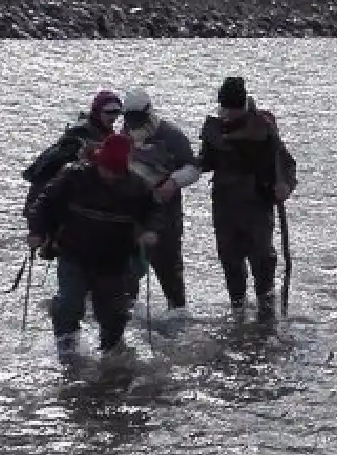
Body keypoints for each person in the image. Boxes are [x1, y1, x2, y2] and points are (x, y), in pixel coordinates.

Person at [26, 133, 163, 362]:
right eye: (106, 168)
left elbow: (155, 211)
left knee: (113, 314)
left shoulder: (138, 186)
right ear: (98, 161)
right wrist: (37, 232)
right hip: (73, 253)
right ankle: (67, 353)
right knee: (69, 304)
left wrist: (150, 231)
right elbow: (44, 204)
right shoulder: (74, 176)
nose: (109, 174)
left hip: (113, 260)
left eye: (115, 171)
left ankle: (110, 353)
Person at [199, 77, 297, 316]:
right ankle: (238, 309)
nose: (228, 114)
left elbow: (286, 164)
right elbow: (204, 162)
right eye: (225, 109)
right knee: (229, 259)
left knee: (262, 259)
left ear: (242, 105)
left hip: (256, 205)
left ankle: (266, 310)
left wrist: (285, 185)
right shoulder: (215, 130)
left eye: (233, 109)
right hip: (224, 206)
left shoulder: (263, 130)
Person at [121, 87, 201, 317]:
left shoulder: (172, 136)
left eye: (139, 119)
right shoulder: (123, 136)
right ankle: (127, 318)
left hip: (166, 217)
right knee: (127, 275)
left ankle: (177, 312)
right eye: (130, 119)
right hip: (132, 218)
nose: (135, 125)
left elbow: (194, 168)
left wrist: (173, 183)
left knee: (169, 270)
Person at [22, 89, 124, 219]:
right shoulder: (79, 134)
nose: (113, 116)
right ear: (97, 111)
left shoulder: (105, 132)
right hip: (52, 197)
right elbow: (57, 169)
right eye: (109, 112)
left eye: (117, 112)